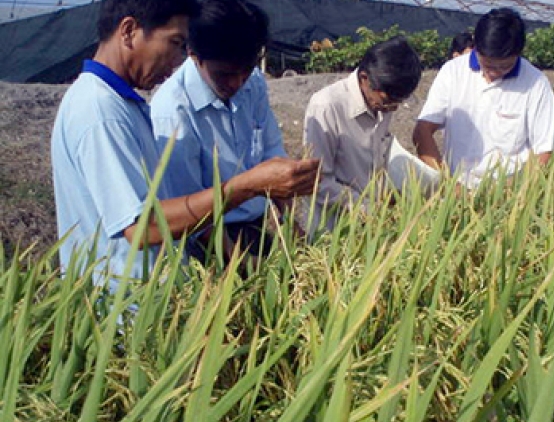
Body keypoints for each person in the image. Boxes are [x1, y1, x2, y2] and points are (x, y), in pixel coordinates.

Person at [51, 0, 319, 289]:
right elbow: (143, 227)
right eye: (175, 43)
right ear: (129, 31)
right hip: (124, 307)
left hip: (156, 292)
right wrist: (247, 187)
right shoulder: (101, 111)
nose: (177, 61)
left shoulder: (123, 104)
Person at [151, 0, 304, 263]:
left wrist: (291, 224)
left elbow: (270, 153)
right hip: (205, 241)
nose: (236, 83)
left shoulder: (252, 83)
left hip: (253, 228)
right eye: (224, 74)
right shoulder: (172, 112)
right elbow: (188, 209)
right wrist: (237, 264)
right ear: (194, 56)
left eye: (245, 72)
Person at [413, 8, 554, 189]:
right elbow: (423, 130)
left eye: (504, 67)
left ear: (519, 53)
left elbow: (547, 148)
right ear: (476, 46)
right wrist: (448, 184)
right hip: (457, 185)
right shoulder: (453, 71)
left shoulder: (535, 82)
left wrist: (511, 189)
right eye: (488, 64)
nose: (493, 73)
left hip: (510, 190)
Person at [303, 36, 422, 231]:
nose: (391, 109)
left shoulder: (382, 103)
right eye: (387, 101)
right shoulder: (327, 106)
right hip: (332, 229)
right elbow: (317, 181)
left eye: (398, 103)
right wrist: (366, 207)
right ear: (365, 79)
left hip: (372, 226)